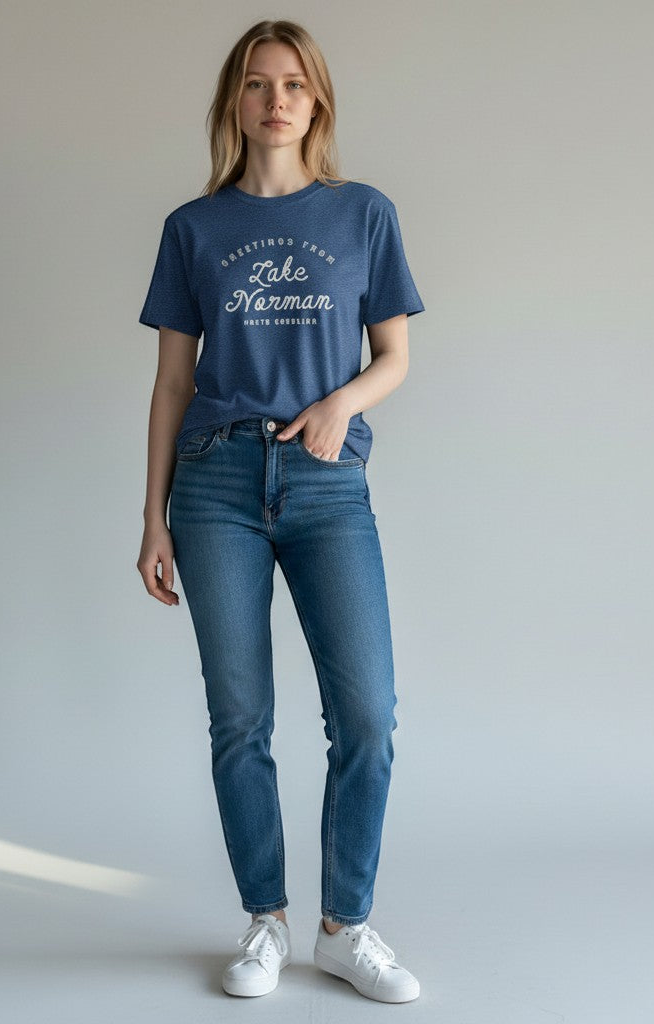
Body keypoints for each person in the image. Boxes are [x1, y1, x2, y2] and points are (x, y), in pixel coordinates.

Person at [137, 19, 425, 1003]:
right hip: (214, 483)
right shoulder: (193, 228)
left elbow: (394, 355)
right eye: (258, 84)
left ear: (317, 100)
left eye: (294, 84)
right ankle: (265, 921)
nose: (275, 100)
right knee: (240, 717)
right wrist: (152, 516)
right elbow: (172, 383)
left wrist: (341, 403)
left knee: (367, 715)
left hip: (326, 483)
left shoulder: (363, 214)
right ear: (235, 100)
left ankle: (345, 928)